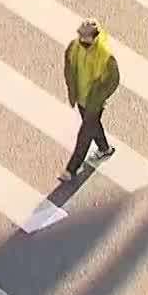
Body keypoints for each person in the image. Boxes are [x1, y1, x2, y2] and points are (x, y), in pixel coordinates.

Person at [58, 19, 121, 183]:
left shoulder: (105, 55)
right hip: (81, 97)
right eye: (80, 35)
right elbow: (68, 63)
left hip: (94, 102)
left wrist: (99, 96)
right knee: (92, 125)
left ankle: (72, 168)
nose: (81, 38)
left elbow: (113, 80)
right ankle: (104, 148)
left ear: (94, 37)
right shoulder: (74, 47)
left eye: (84, 36)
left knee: (85, 133)